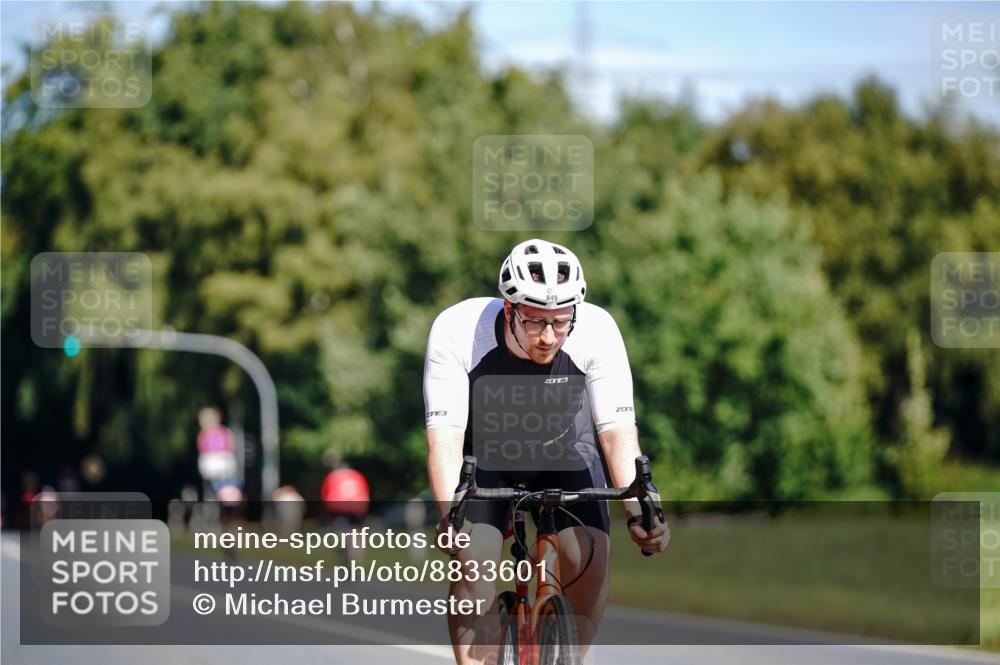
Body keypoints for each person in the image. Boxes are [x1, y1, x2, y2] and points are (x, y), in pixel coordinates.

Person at [423, 239, 669, 665]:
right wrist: (451, 515)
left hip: (566, 455)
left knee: (590, 564)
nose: (549, 336)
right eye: (536, 322)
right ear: (508, 310)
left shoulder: (598, 329)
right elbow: (444, 436)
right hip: (487, 459)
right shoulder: (458, 329)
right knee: (472, 567)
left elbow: (617, 434)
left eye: (561, 322)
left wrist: (639, 513)